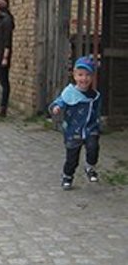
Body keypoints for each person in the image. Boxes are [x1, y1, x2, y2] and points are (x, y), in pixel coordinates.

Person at [49, 56, 101, 191]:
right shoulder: (70, 92)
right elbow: (60, 101)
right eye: (80, 75)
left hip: (90, 128)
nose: (84, 78)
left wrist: (97, 124)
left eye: (88, 75)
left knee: (93, 147)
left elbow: (96, 111)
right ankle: (67, 176)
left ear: (92, 76)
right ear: (75, 75)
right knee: (72, 157)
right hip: (73, 130)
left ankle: (90, 166)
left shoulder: (94, 95)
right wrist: (56, 107)